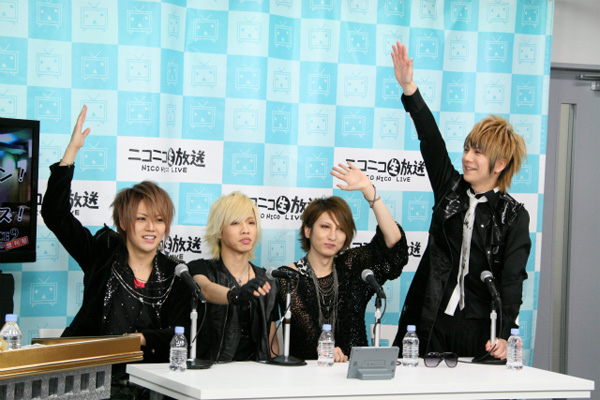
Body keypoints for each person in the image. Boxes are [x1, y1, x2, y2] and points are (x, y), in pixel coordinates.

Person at [390, 42, 532, 360]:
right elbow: (431, 140)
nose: (467, 158)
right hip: (432, 321)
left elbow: (512, 281)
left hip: (481, 328)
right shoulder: (450, 190)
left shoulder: (513, 216)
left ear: (500, 164)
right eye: (467, 149)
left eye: (478, 152)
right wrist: (410, 88)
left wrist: (506, 334)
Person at [41, 106, 193, 399]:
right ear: (123, 223)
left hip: (149, 384)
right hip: (88, 380)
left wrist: (143, 338)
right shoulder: (102, 254)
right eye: (141, 218)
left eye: (159, 220)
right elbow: (55, 215)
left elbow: (181, 333)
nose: (151, 228)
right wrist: (71, 152)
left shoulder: (175, 273)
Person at [276, 162, 408, 362]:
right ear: (308, 231)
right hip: (307, 371)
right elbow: (306, 329)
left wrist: (369, 191)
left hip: (356, 369)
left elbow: (393, 244)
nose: (332, 236)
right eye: (325, 227)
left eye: (340, 229)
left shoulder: (352, 266)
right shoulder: (288, 276)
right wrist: (326, 348)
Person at [188, 192, 279, 362]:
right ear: (219, 231)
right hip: (211, 371)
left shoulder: (267, 280)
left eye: (251, 223)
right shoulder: (199, 268)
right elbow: (205, 289)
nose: (245, 230)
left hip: (257, 372)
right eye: (235, 223)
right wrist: (236, 295)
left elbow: (271, 342)